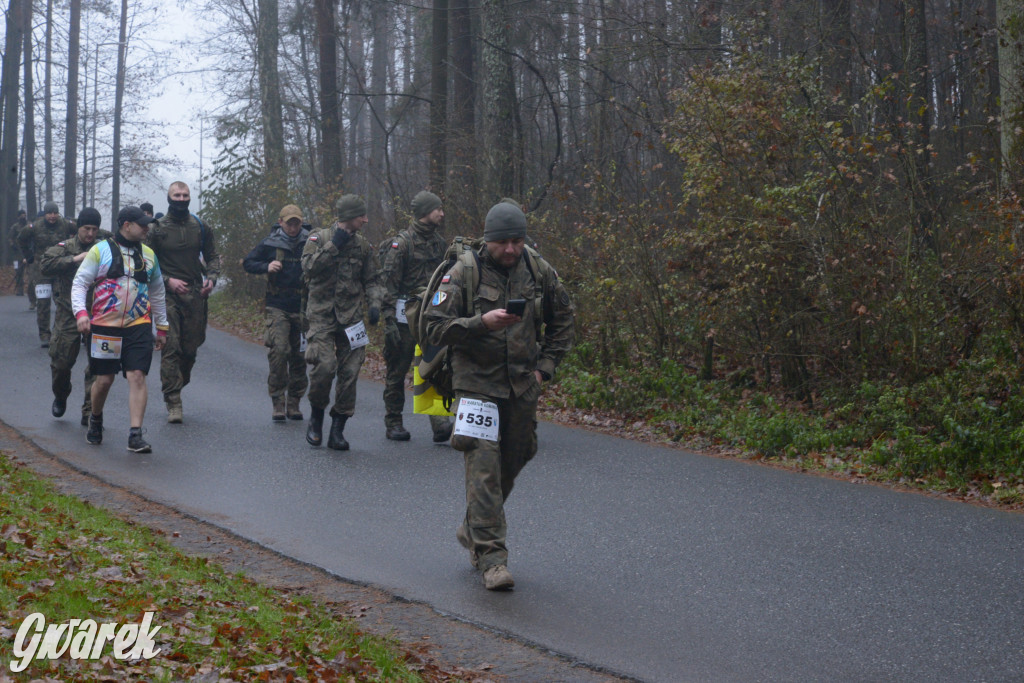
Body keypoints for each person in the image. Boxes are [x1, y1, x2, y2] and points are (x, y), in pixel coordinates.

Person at [424, 202, 575, 590]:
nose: (510, 249)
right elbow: (433, 329)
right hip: (476, 383)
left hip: (523, 382)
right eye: (502, 242)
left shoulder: (538, 269)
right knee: (484, 465)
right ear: (488, 239)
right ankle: (492, 559)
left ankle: (472, 525)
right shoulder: (463, 273)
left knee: (519, 452)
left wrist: (546, 368)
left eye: (517, 241)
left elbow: (564, 320)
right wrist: (479, 323)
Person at [72, 207, 168, 453]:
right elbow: (80, 283)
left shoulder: (149, 255)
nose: (147, 228)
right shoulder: (100, 250)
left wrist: (162, 326)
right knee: (104, 380)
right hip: (105, 325)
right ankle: (96, 418)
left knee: (137, 376)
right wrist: (82, 314)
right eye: (142, 224)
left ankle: (135, 434)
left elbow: (157, 292)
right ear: (127, 225)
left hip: (138, 325)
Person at [301, 194, 384, 450]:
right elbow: (308, 268)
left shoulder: (363, 247)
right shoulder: (319, 238)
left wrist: (374, 303)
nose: (366, 220)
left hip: (351, 319)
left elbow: (372, 280)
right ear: (349, 216)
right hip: (321, 316)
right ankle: (316, 417)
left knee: (349, 374)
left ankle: (338, 427)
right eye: (362, 216)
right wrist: (333, 246)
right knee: (324, 367)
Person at [380, 190, 453, 442]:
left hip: (431, 315)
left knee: (435, 365)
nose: (442, 214)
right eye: (437, 209)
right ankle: (394, 422)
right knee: (397, 370)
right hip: (403, 317)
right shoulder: (402, 244)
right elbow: (388, 286)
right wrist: (388, 321)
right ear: (425, 212)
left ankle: (440, 422)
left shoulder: (440, 243)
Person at [146, 181, 221, 423]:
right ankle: (173, 401)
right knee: (171, 347)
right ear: (168, 198)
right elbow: (146, 263)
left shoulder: (200, 226)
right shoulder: (155, 229)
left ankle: (179, 382)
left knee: (190, 349)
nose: (180, 199)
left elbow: (212, 256)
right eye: (176, 195)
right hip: (166, 296)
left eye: (184, 195)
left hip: (196, 295)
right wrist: (168, 281)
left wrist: (211, 278)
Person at [243, 204, 310, 421]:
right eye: (289, 222)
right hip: (277, 305)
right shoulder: (270, 243)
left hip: (302, 306)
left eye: (296, 222)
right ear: (281, 222)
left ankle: (294, 403)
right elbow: (248, 263)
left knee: (300, 356)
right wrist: (266, 266)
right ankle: (278, 401)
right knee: (279, 351)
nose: (293, 227)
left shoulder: (311, 242)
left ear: (301, 222)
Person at [40, 207, 106, 425]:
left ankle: (90, 410)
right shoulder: (65, 247)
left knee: (98, 365)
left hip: (98, 313)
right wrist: (75, 258)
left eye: (94, 229)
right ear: (79, 228)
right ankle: (61, 394)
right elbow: (45, 265)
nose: (90, 233)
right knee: (60, 362)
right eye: (86, 228)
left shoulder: (104, 246)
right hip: (69, 313)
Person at [18, 201, 74, 346]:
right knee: (43, 303)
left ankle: (60, 333)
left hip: (60, 270)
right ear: (45, 214)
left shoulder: (65, 224)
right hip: (41, 271)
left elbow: (82, 229)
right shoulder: (35, 227)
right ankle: (44, 334)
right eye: (49, 213)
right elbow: (21, 238)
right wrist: (28, 254)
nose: (52, 216)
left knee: (62, 302)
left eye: (55, 213)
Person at [7, 209, 27, 296]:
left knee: (32, 272)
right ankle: (20, 289)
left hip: (28, 252)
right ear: (18, 217)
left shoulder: (29, 225)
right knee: (18, 272)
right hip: (17, 254)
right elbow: (10, 238)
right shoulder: (15, 227)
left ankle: (31, 290)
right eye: (21, 215)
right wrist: (12, 245)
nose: (23, 217)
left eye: (24, 215)